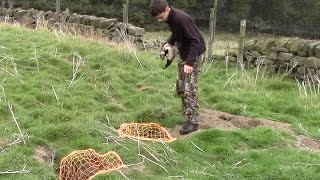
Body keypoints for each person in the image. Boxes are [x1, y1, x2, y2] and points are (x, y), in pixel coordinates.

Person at [149, 0, 206, 135]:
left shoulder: (181, 18)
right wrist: (168, 43)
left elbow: (195, 41)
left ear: (167, 9)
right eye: (157, 18)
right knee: (180, 87)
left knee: (189, 89)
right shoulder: (171, 20)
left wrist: (190, 63)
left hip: (194, 55)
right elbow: (177, 34)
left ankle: (192, 121)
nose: (159, 20)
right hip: (185, 54)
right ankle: (186, 110)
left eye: (160, 17)